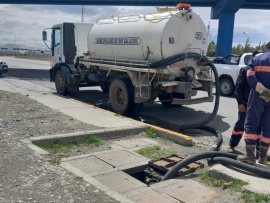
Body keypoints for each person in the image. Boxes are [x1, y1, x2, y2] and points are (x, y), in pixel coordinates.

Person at [238, 42, 270, 164]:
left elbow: (250, 76)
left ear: (266, 48)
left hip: (257, 96)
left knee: (252, 123)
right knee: (268, 127)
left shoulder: (257, 59)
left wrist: (263, 91)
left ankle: (250, 156)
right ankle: (263, 157)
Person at [228, 51, 261, 157]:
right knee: (241, 124)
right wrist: (240, 103)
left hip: (257, 105)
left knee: (258, 128)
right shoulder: (245, 70)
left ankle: (257, 152)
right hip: (245, 103)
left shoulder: (262, 72)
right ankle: (232, 146)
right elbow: (238, 87)